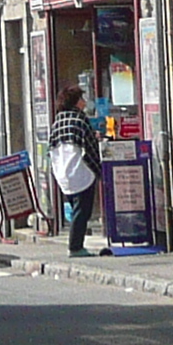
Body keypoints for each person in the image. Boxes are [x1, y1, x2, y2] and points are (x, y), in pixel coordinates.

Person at [46, 84, 101, 256]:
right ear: (76, 102)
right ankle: (75, 246)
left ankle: (76, 243)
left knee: (76, 207)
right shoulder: (80, 120)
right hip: (81, 171)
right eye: (82, 99)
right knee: (82, 211)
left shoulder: (57, 122)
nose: (84, 103)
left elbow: (52, 149)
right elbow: (89, 148)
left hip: (62, 172)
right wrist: (98, 170)